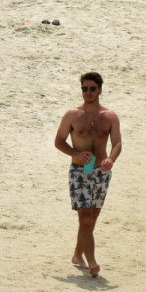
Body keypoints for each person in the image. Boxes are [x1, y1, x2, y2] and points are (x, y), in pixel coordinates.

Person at [54, 72, 122, 278]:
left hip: (101, 170)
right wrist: (75, 154)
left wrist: (111, 159)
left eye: (92, 89)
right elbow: (59, 141)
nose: (88, 93)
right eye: (85, 89)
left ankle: (77, 255)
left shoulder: (109, 116)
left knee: (91, 218)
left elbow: (117, 143)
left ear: (100, 90)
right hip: (80, 170)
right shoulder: (72, 115)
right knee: (84, 218)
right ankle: (92, 261)